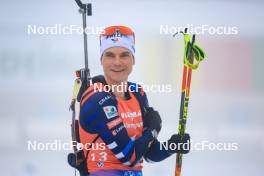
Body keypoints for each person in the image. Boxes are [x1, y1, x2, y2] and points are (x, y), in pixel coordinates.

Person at [79, 26, 190, 176]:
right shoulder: (97, 98)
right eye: (110, 55)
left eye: (124, 55)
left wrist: (171, 146)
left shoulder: (138, 93)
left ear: (133, 59)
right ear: (101, 60)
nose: (117, 62)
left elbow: (147, 153)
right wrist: (153, 129)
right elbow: (130, 157)